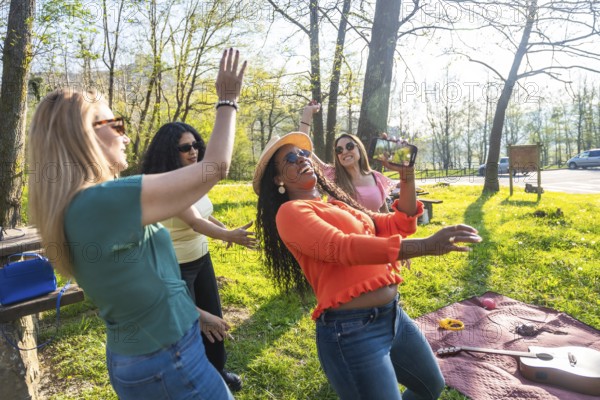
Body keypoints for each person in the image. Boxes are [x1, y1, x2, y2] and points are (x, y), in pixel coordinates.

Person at [27, 48, 246, 400]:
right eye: (115, 125)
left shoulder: (81, 205)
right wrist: (227, 100)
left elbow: (143, 284)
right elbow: (214, 168)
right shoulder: (102, 201)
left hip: (151, 356)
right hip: (167, 363)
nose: (126, 135)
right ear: (82, 136)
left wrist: (196, 314)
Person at [253, 131, 482, 399]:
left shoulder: (337, 205)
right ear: (278, 179)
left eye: (303, 153)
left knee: (430, 385)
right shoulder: (290, 213)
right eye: (290, 158)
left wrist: (407, 175)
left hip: (393, 316)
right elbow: (340, 248)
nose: (302, 158)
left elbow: (398, 224)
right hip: (351, 333)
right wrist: (426, 246)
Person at [141, 121, 257, 391]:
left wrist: (224, 229)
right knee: (189, 328)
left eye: (195, 145)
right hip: (176, 267)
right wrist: (229, 237)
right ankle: (190, 380)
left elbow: (204, 213)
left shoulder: (192, 179)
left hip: (201, 259)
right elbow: (193, 221)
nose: (193, 151)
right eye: (185, 147)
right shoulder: (167, 185)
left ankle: (217, 371)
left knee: (214, 316)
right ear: (171, 152)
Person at [298, 102, 396, 212]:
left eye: (349, 146)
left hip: (372, 229)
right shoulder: (332, 175)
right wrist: (308, 112)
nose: (344, 151)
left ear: (359, 148)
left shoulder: (376, 177)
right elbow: (304, 148)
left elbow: (384, 215)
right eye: (339, 150)